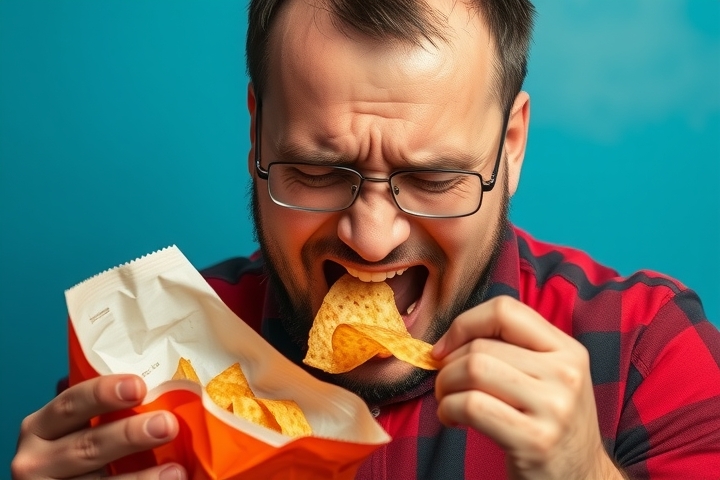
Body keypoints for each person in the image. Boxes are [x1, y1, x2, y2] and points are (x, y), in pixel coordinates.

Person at [12, 0, 720, 478]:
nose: (373, 239)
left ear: (510, 146)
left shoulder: (640, 351)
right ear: (256, 131)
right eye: (319, 170)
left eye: (435, 177)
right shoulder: (147, 356)